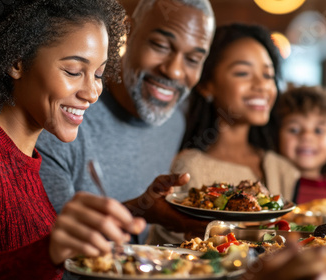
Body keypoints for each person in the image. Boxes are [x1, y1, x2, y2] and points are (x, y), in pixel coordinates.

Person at [0, 0, 146, 279]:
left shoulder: (27, 158)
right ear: (16, 61)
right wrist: (47, 252)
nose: (92, 92)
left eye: (99, 74)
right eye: (74, 71)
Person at [35, 0, 216, 242]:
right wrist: (140, 212)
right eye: (160, 45)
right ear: (126, 32)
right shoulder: (65, 117)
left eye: (193, 60)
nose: (174, 71)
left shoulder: (174, 123)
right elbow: (46, 254)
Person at [147, 23, 300, 245]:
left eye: (268, 75)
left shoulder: (283, 168)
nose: (261, 85)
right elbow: (169, 248)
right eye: (243, 73)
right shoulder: (191, 168)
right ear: (207, 84)